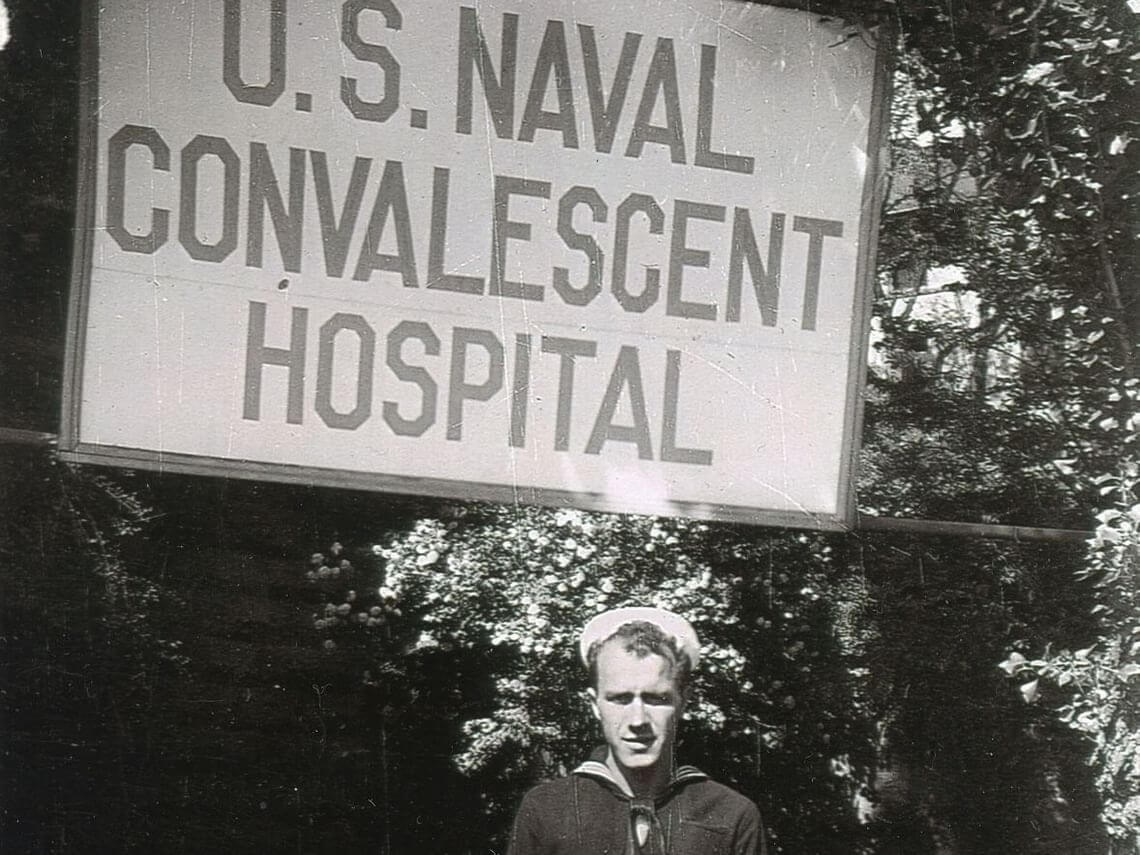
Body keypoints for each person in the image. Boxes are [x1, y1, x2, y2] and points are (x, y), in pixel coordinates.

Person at [506, 606, 767, 855]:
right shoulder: (546, 810)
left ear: (683, 702)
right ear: (594, 704)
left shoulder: (731, 815)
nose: (637, 719)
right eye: (620, 699)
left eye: (656, 699)